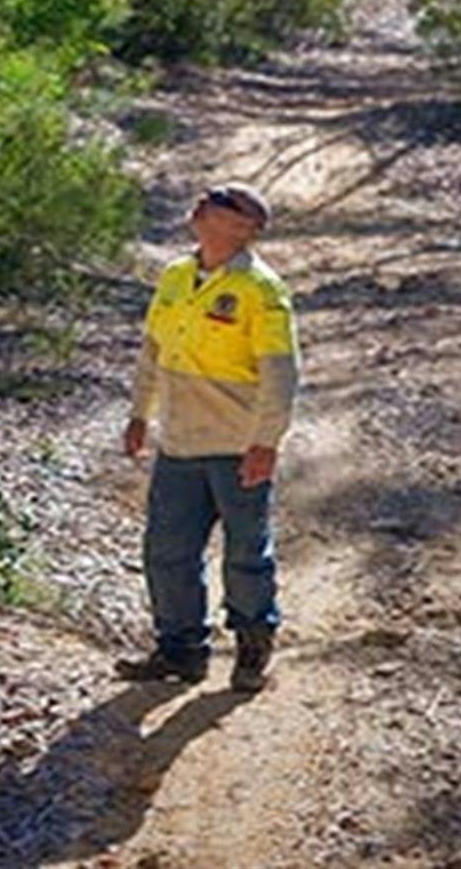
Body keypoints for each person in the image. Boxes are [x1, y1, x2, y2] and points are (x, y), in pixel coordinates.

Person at [117, 181, 301, 692]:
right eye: (206, 201)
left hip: (237, 445)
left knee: (245, 551)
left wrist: (266, 442)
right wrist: (139, 415)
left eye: (217, 203)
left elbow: (281, 374)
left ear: (244, 229)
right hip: (178, 442)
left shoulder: (261, 291)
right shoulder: (176, 275)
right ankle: (180, 650)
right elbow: (154, 352)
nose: (201, 205)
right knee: (168, 549)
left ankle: (251, 646)